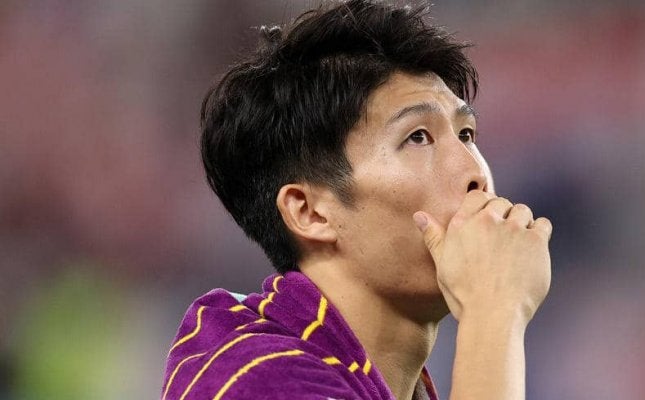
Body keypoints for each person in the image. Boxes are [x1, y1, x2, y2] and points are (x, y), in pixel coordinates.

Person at [161, 1, 553, 399]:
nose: (475, 173)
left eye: (466, 135)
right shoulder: (255, 381)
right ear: (310, 212)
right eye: (418, 137)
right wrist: (492, 309)